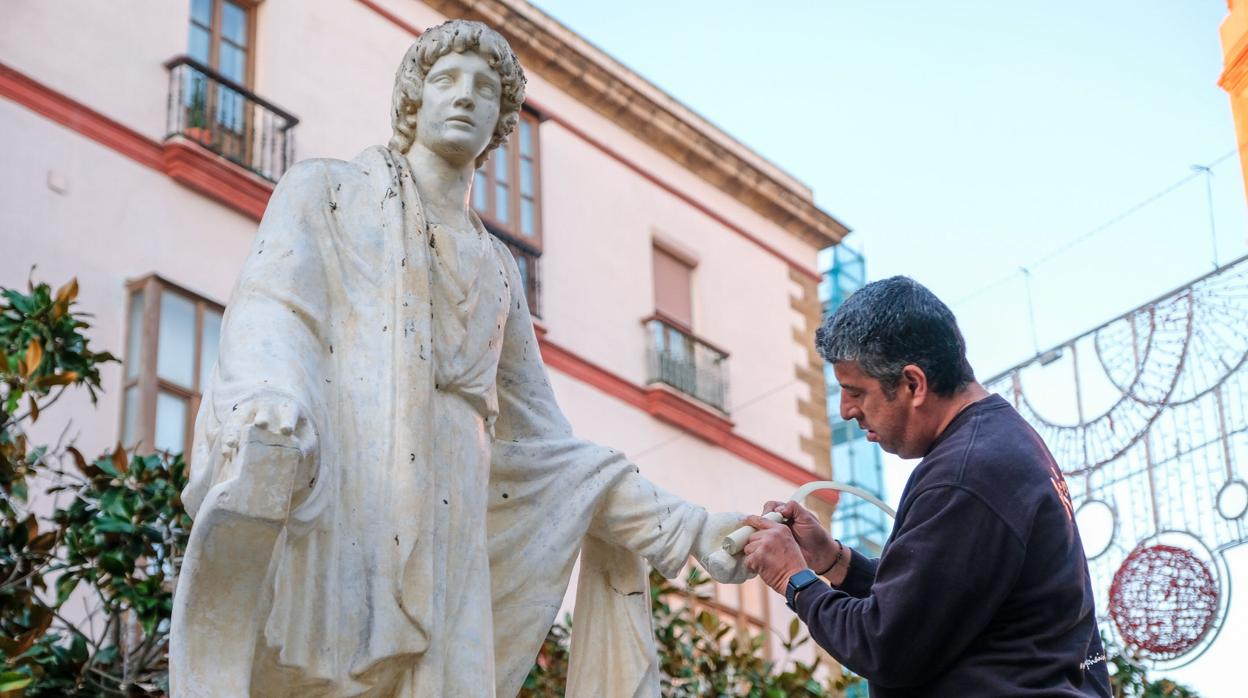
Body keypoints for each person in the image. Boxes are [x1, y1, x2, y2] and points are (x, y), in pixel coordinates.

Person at [170, 20, 746, 698]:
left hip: (456, 526)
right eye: (446, 81)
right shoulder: (329, 193)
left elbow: (557, 453)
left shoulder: (497, 269)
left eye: (484, 89)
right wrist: (271, 397)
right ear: (413, 100)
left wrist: (694, 529)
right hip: (350, 489)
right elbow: (274, 306)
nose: (464, 97)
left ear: (502, 123)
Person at [742, 276, 1111, 696]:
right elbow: (933, 605)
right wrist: (835, 561)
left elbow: (886, 647)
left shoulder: (964, 476)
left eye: (856, 392)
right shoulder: (997, 446)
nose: (847, 411)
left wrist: (794, 579)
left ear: (913, 384)